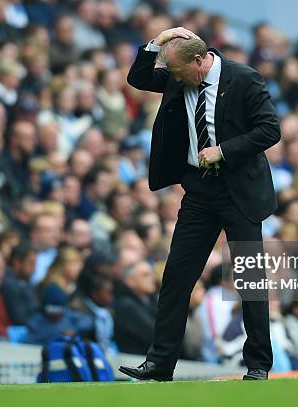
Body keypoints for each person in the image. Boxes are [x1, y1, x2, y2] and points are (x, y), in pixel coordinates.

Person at [120, 26, 281, 381]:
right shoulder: (182, 75)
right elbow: (140, 77)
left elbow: (270, 130)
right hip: (200, 191)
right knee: (176, 277)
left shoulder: (244, 78)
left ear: (200, 61)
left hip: (239, 190)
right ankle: (160, 364)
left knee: (249, 278)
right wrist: (158, 42)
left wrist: (224, 151)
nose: (173, 80)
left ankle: (257, 365)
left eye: (177, 72)